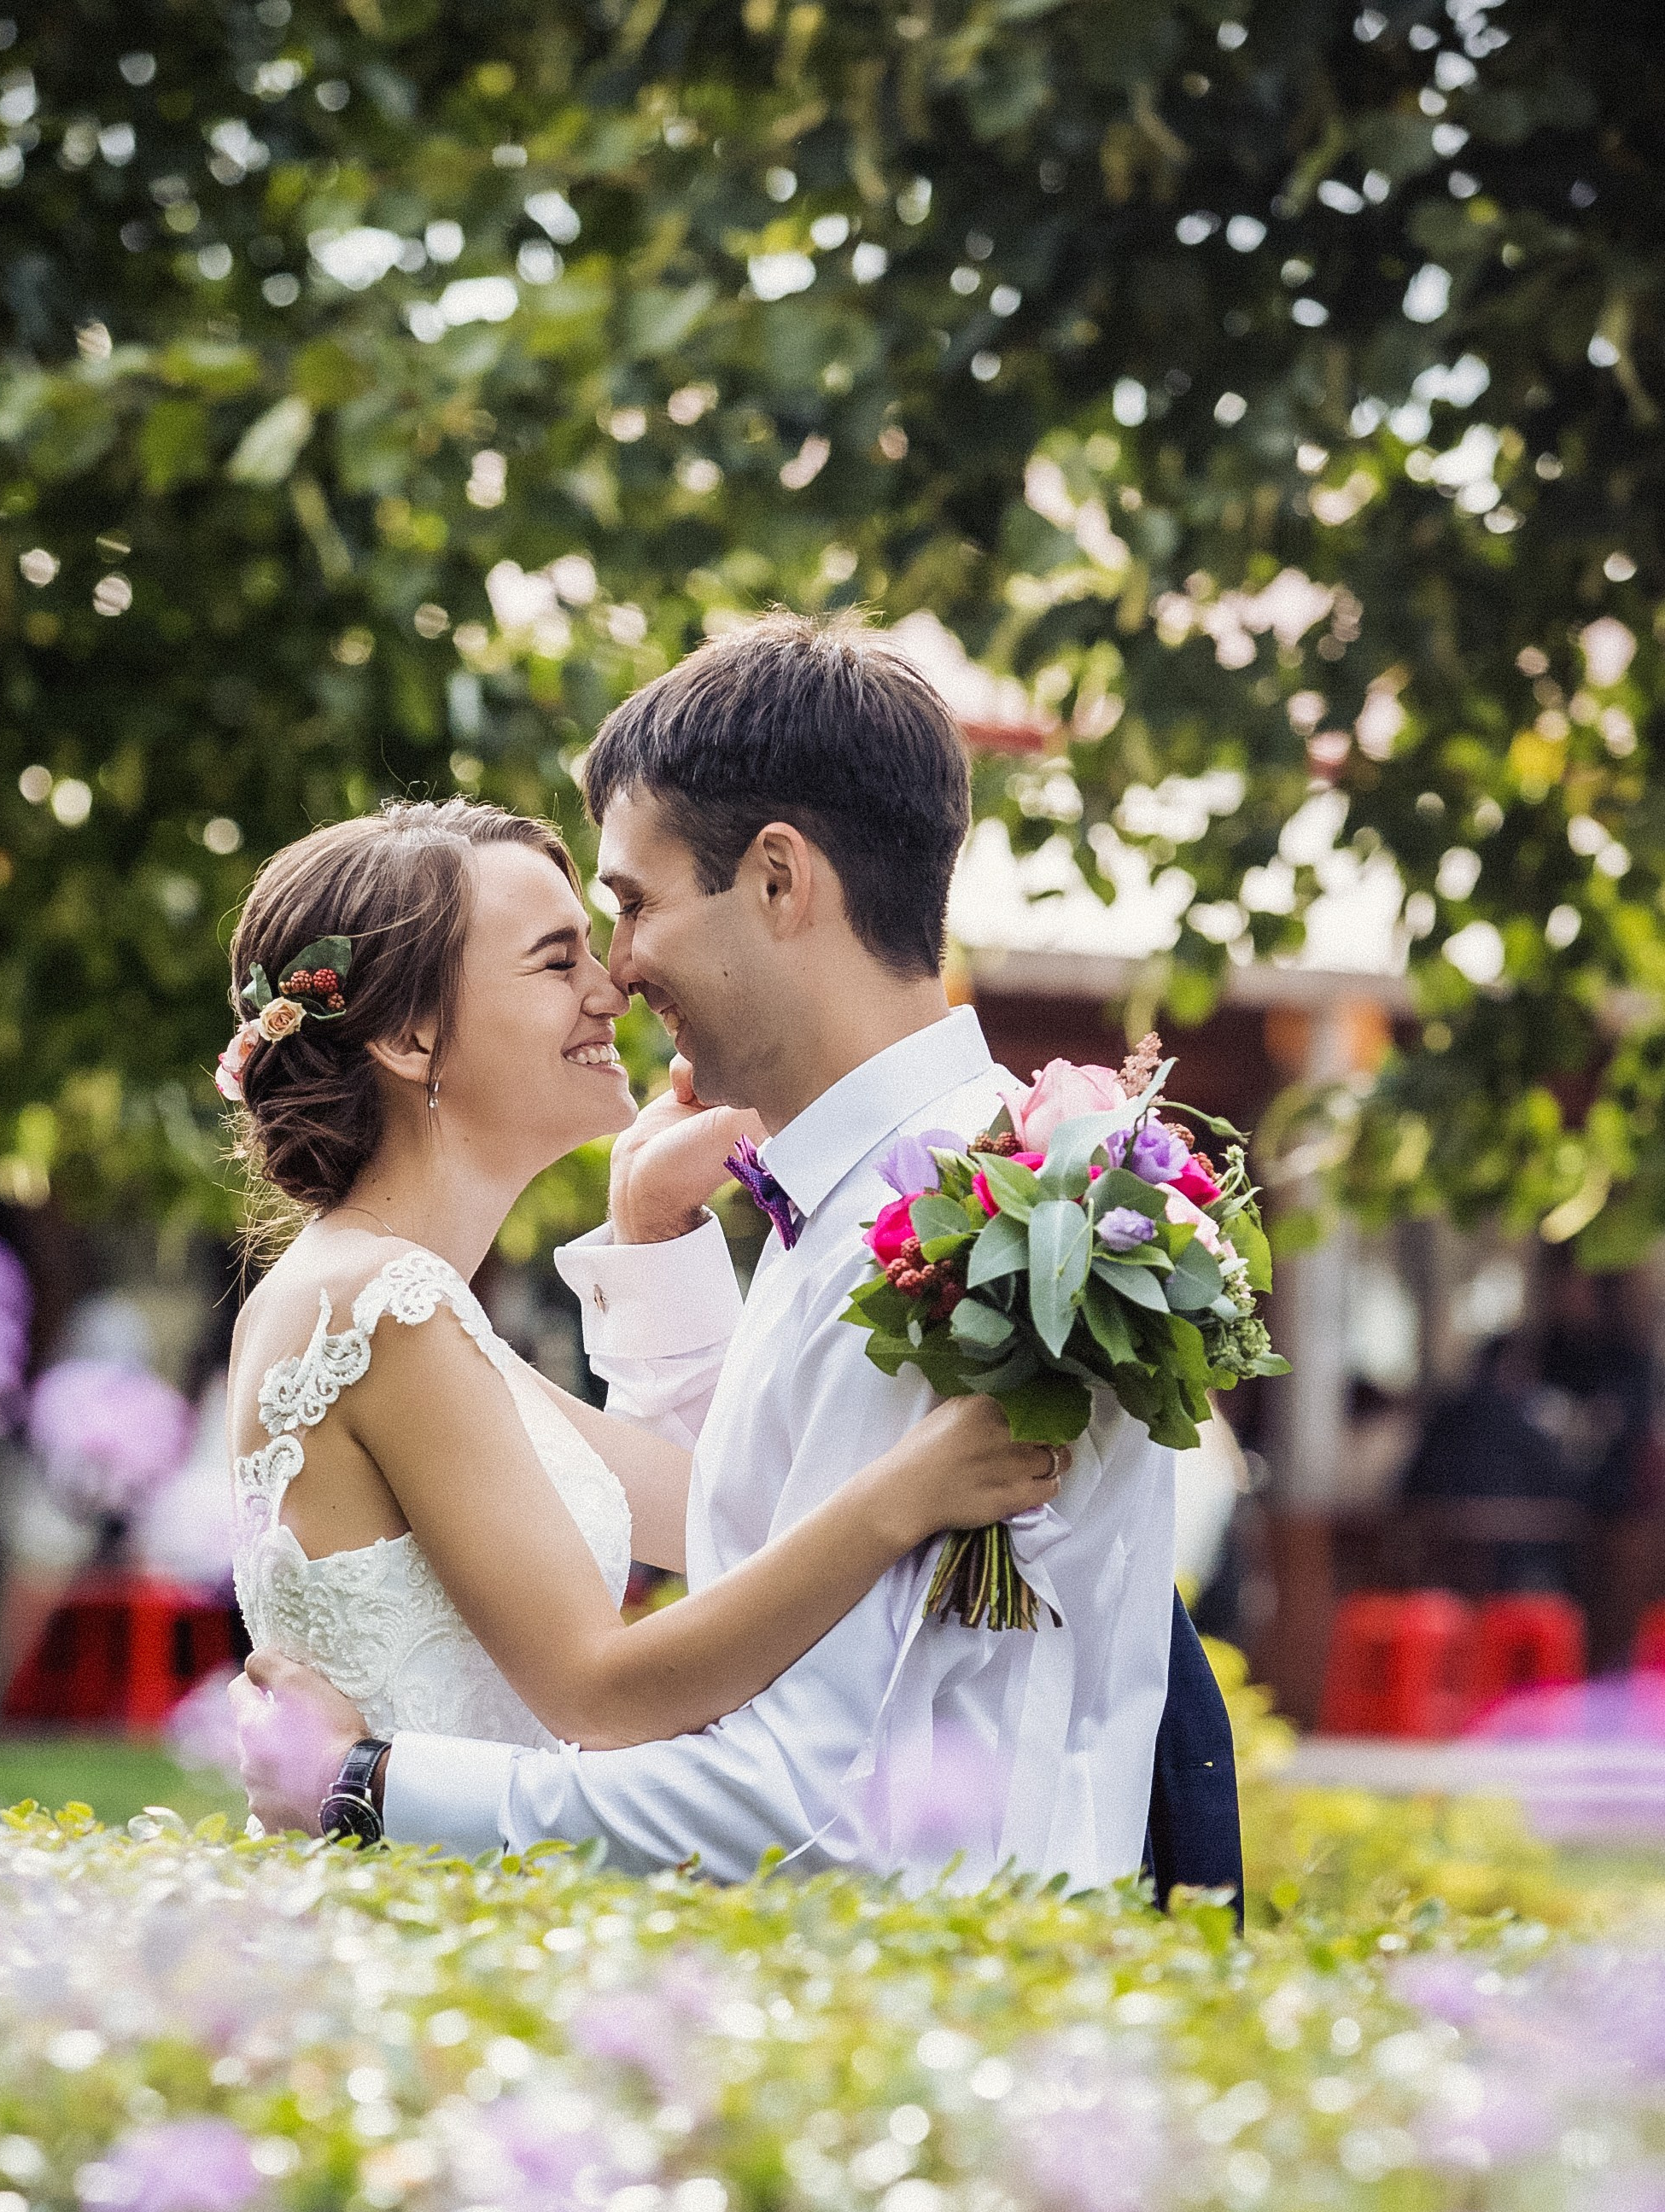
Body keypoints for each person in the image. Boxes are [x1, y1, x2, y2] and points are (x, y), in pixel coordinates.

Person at [236, 613, 1241, 1900]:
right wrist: (654, 1254)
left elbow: (809, 1803)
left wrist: (372, 1789)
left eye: (633, 905)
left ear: (778, 880)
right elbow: (754, 1557)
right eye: (572, 951)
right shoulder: (870, 1212)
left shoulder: (976, 1241)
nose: (620, 973)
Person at [221, 792, 1066, 1788]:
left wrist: (653, 1229)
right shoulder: (385, 1307)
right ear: (410, 1038)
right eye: (555, 959)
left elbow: (726, 1515)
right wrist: (908, 1494)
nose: (614, 984)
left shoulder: (380, 1300)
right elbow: (602, 1694)